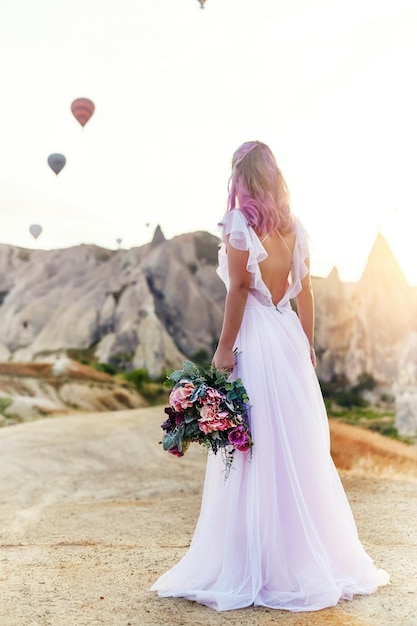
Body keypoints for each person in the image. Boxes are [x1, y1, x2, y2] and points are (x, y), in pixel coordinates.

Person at [151, 140, 389, 612]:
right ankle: (300, 556)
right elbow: (307, 294)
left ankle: (255, 562)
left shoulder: (241, 222)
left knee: (252, 445)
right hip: (287, 338)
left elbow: (240, 288)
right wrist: (307, 346)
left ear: (240, 177)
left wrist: (223, 350)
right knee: (293, 447)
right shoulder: (293, 226)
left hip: (257, 337)